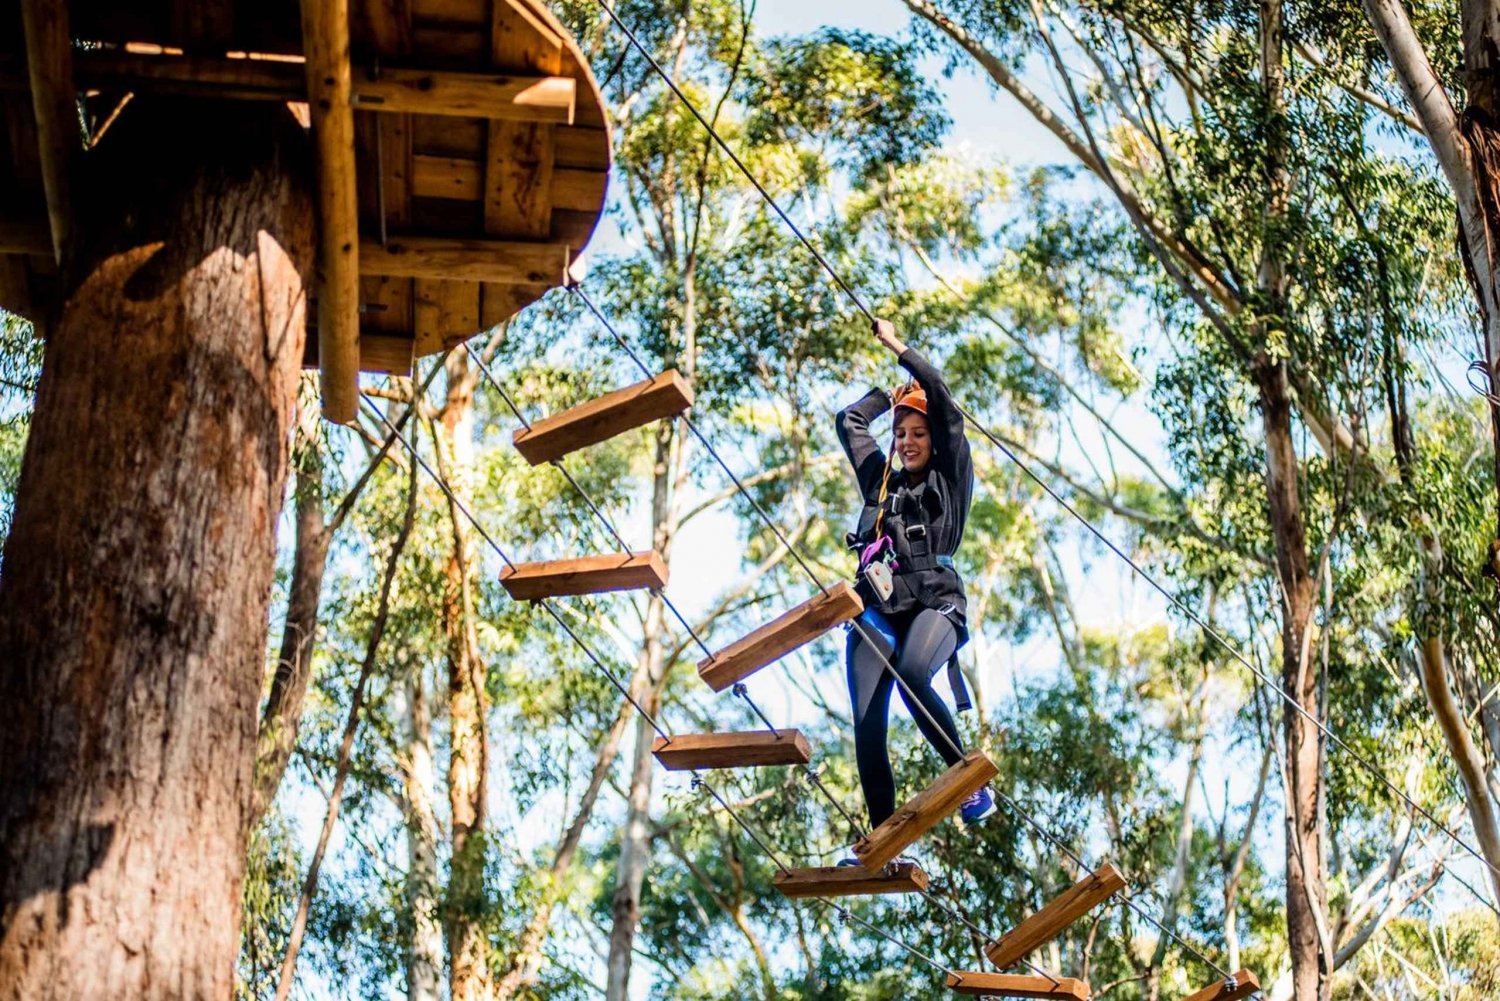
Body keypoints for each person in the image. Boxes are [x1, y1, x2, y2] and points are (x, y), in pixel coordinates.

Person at [835, 319, 994, 848]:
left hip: (933, 602)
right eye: (901, 434)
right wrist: (888, 397)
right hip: (880, 608)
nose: (906, 443)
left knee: (912, 674)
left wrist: (901, 351)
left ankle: (966, 782)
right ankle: (883, 838)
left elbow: (945, 404)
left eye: (917, 434)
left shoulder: (949, 472)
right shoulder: (882, 481)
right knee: (866, 721)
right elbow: (850, 421)